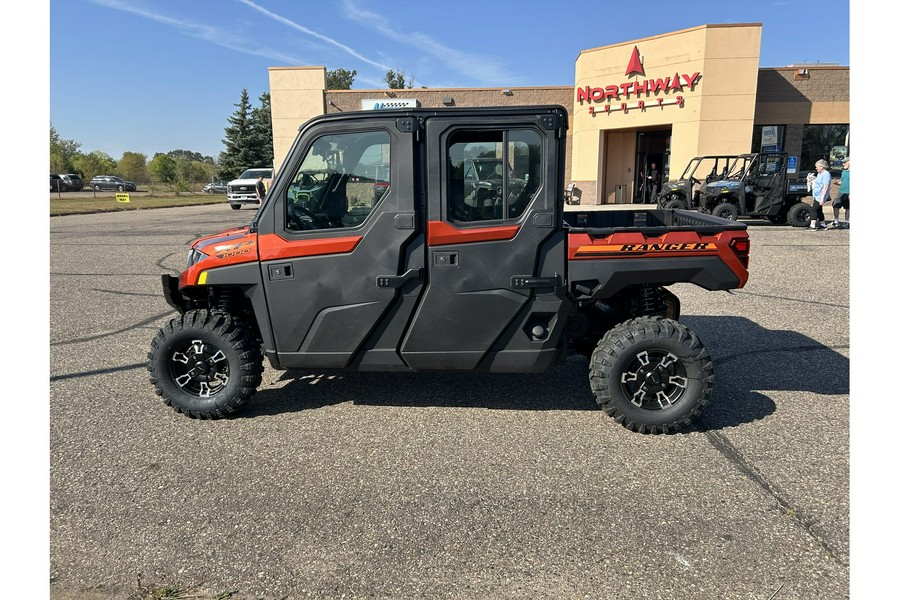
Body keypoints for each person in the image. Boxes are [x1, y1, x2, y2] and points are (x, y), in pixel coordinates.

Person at [807, 159, 831, 231]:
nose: (816, 168)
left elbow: (825, 186)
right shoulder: (819, 174)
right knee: (819, 210)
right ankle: (823, 225)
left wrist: (822, 198)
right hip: (816, 194)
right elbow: (817, 183)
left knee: (814, 210)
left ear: (822, 166)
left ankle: (812, 226)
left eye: (817, 166)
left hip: (820, 195)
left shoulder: (826, 174)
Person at [829, 157, 850, 229]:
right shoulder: (844, 172)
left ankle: (847, 222)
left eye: (845, 162)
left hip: (848, 192)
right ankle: (836, 221)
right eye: (843, 162)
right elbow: (842, 182)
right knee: (835, 205)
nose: (843, 164)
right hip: (841, 191)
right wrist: (837, 183)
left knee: (848, 208)